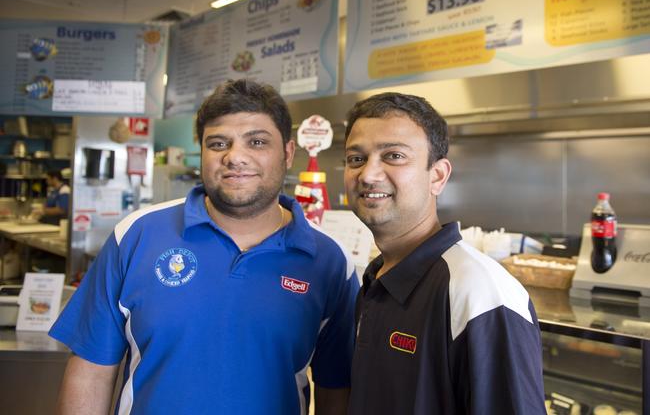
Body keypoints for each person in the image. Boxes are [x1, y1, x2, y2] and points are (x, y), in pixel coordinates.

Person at [50, 79, 359, 415]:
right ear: (203, 153)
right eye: (218, 143)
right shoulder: (137, 236)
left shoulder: (329, 261)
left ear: (287, 153)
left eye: (256, 142)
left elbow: (336, 386)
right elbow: (92, 369)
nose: (235, 157)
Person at [343, 93, 546, 414]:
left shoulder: (479, 291)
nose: (368, 175)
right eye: (356, 159)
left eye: (393, 155)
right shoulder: (376, 279)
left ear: (437, 176)